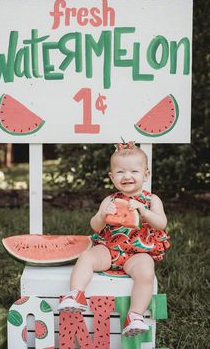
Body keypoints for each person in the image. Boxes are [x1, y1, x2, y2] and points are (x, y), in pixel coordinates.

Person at [58, 141, 170, 337]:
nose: (127, 176)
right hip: (109, 250)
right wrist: (102, 215)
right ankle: (76, 294)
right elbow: (95, 226)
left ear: (146, 174)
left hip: (138, 253)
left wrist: (144, 212)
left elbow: (161, 223)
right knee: (86, 256)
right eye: (120, 172)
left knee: (146, 272)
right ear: (112, 177)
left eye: (134, 171)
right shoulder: (109, 200)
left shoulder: (152, 200)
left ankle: (135, 315)